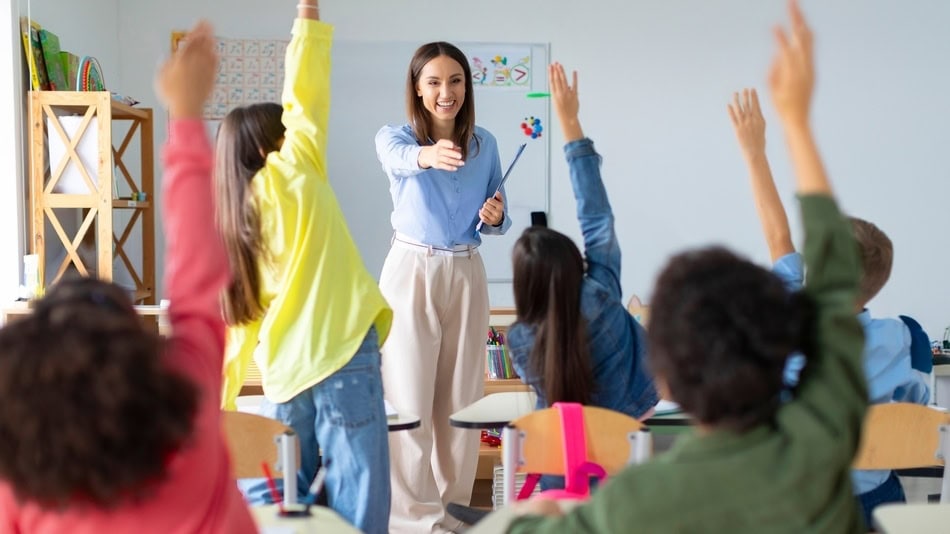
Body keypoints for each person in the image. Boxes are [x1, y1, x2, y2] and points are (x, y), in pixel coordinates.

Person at [506, 1, 870, 531]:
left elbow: (520, 529)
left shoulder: (633, 503)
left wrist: (533, 512)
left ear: (667, 378)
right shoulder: (824, 446)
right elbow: (838, 284)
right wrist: (795, 122)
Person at [0, 21, 256, 532]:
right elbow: (198, 272)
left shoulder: (20, 473)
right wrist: (185, 114)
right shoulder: (189, 397)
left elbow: (195, 278)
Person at [216, 2, 393, 532]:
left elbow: (238, 325)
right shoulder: (296, 167)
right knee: (358, 496)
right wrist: (307, 16)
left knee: (282, 499)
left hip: (284, 376)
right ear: (276, 144)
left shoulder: (234, 226)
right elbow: (305, 93)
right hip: (341, 353)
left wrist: (219, 405)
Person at [728, 86, 930, 525]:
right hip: (873, 499)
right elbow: (919, 406)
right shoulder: (900, 337)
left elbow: (777, 236)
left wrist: (754, 152)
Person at [375, 41, 511, 533]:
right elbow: (399, 157)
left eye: (454, 81)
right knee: (408, 402)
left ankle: (453, 518)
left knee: (462, 403)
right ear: (417, 88)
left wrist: (496, 217)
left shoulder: (487, 144)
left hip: (467, 270)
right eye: (433, 82)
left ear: (466, 87)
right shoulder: (395, 139)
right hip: (412, 269)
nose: (445, 92)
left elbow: (498, 215)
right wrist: (429, 155)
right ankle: (414, 522)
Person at [506, 62, 658, 454]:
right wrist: (570, 123)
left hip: (561, 453)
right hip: (627, 432)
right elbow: (597, 218)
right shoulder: (600, 292)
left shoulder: (519, 340)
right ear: (574, 262)